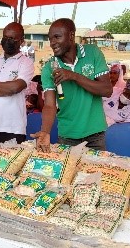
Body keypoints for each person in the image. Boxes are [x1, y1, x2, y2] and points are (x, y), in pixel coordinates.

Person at [32, 18, 112, 151]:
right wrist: (45, 131)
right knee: (69, 172)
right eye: (50, 38)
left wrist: (74, 76)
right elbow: (49, 105)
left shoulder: (92, 53)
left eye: (57, 37)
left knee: (94, 171)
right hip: (67, 135)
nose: (52, 43)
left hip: (95, 134)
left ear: (71, 36)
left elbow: (107, 90)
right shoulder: (49, 68)